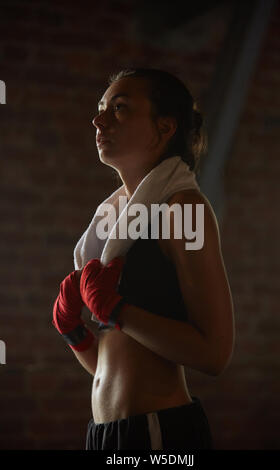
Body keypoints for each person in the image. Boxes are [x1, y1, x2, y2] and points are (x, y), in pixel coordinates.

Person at [52, 68, 235, 450]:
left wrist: (116, 310)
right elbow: (115, 367)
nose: (98, 119)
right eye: (101, 108)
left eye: (119, 108)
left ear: (164, 128)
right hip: (106, 435)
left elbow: (214, 353)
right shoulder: (113, 223)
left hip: (158, 433)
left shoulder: (183, 209)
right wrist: (75, 331)